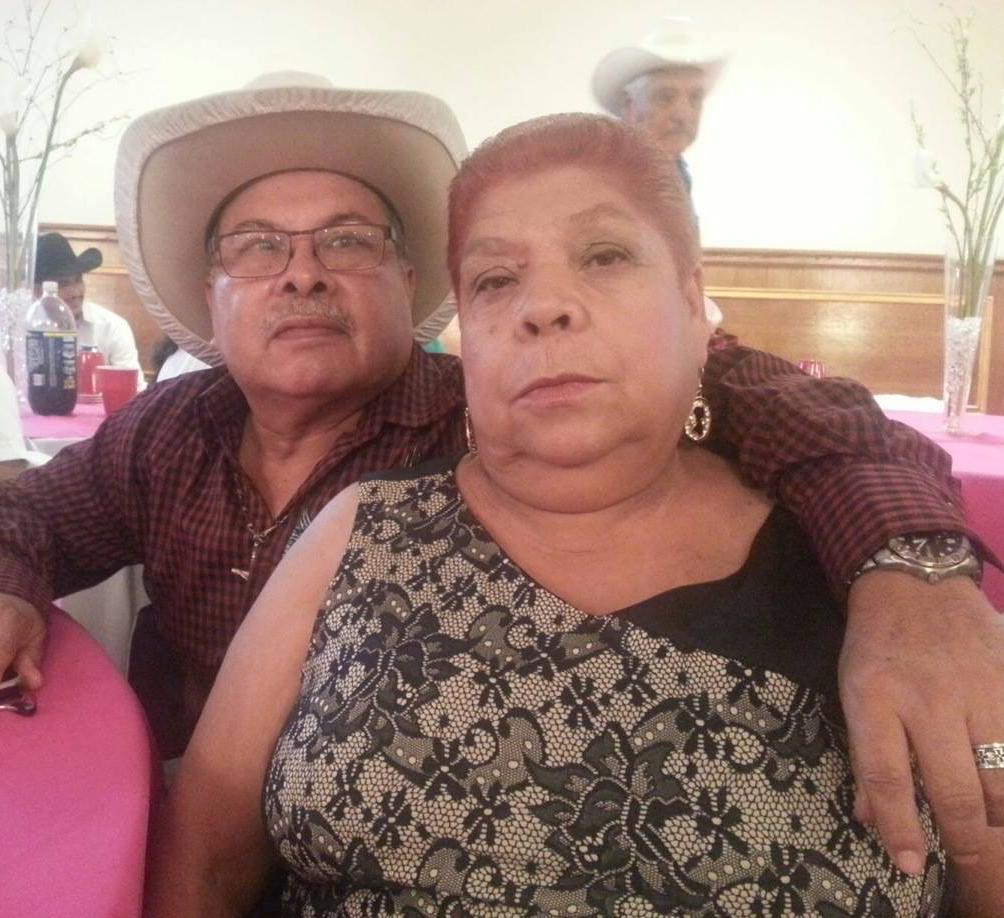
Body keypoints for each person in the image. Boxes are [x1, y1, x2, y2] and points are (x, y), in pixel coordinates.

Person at [0, 73, 1001, 868]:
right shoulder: (171, 428)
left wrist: (908, 571)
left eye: (346, 240)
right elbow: (30, 511)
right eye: (258, 248)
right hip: (174, 830)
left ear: (412, 283)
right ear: (214, 295)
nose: (302, 273)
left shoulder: (505, 418)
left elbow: (799, 410)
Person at [593, 17, 726, 326]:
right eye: (665, 96)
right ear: (629, 106)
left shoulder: (678, 173)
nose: (683, 113)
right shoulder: (602, 179)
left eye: (695, 98)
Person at [33, 232, 144, 379]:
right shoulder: (22, 331)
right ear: (37, 291)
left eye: (78, 280)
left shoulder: (112, 327)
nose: (76, 292)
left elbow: (133, 388)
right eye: (63, 284)